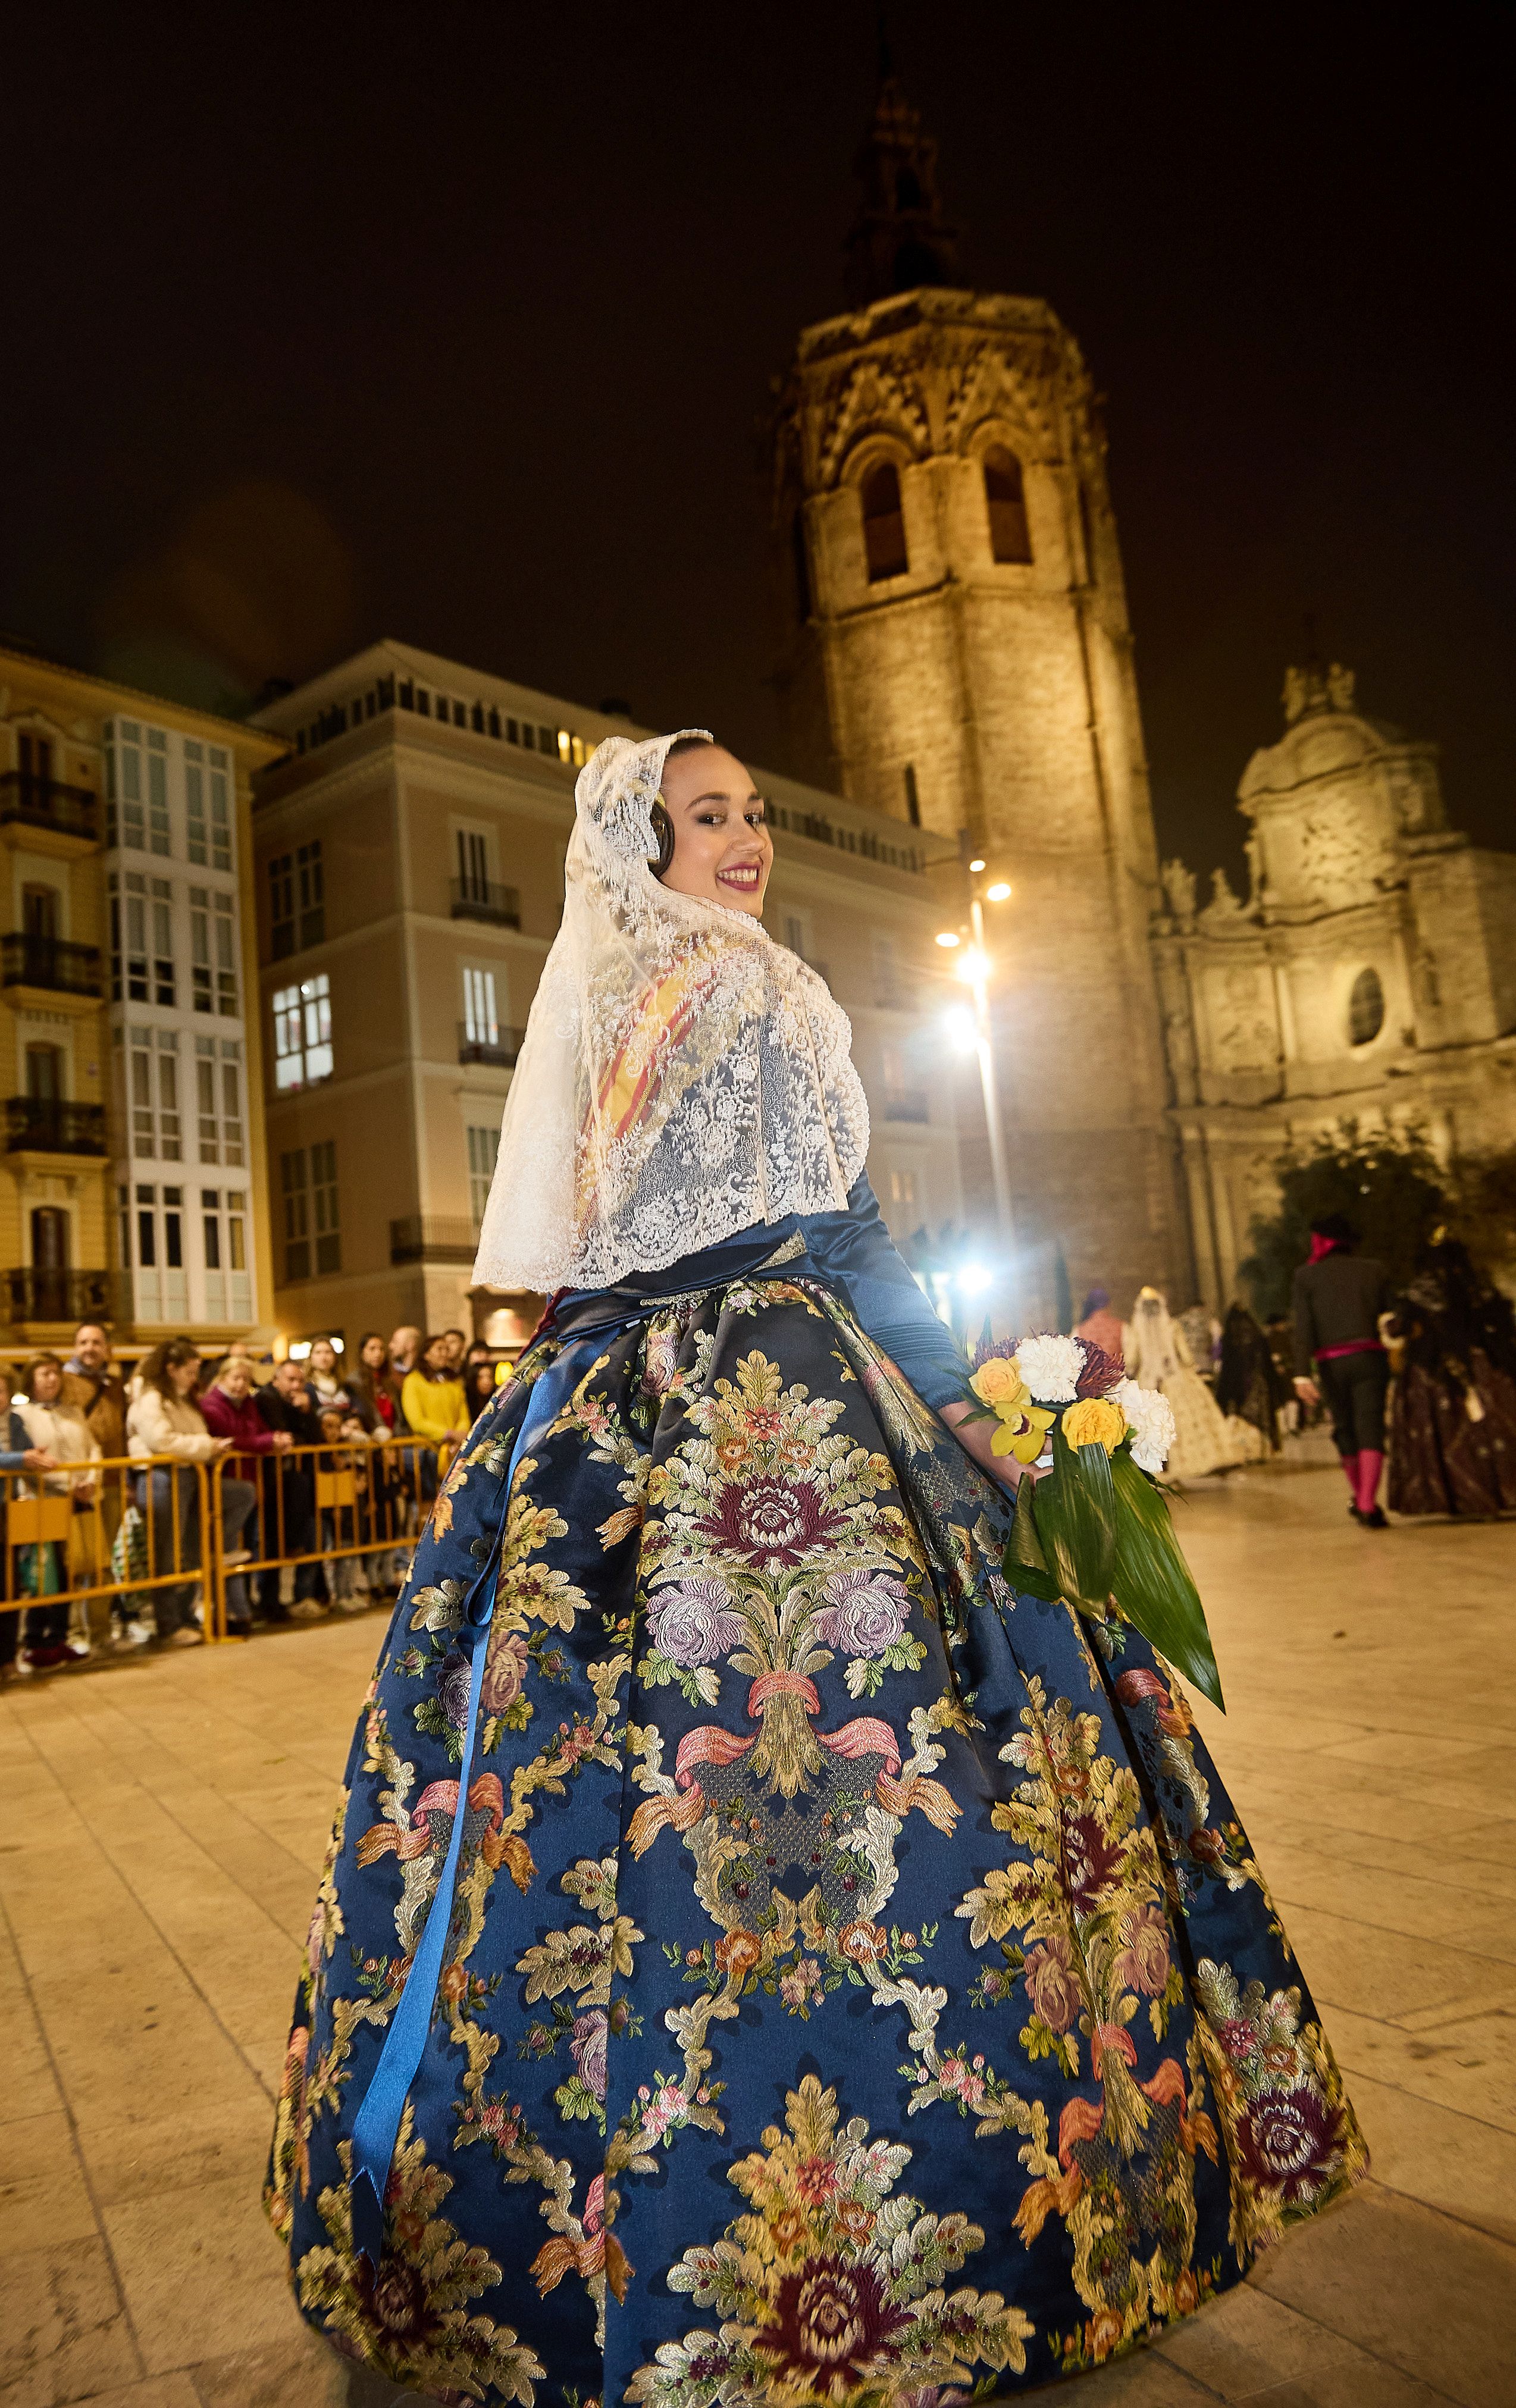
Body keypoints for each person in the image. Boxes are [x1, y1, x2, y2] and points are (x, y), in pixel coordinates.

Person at [267, 731, 1364, 2398]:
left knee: (549, 1801)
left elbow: (594, 1257)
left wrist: (556, 1439)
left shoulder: (621, 1005)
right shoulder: (759, 994)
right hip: (789, 1381)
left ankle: (526, 2218)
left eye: (755, 813)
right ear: (642, 843)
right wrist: (955, 1409)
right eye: (709, 817)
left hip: (599, 1410)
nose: (750, 838)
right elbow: (846, 1236)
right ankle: (980, 2194)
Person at [125, 1339, 254, 1642]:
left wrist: (207, 1447)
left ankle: (213, 1553)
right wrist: (207, 1446)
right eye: (190, 1371)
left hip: (190, 1475)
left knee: (241, 1495)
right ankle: (170, 1622)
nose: (195, 1378)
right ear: (171, 1370)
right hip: (162, 1478)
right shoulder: (151, 1397)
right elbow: (161, 1440)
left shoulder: (183, 1398)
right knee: (170, 1552)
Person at [1385, 1232, 1516, 1517]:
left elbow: (1399, 1327)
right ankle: (1502, 1492)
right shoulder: (1477, 1285)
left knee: (1447, 1432)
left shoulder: (1419, 1291)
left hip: (1434, 1370)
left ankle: (1460, 1498)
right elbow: (1501, 1319)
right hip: (1482, 1364)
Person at [1291, 1214, 1390, 1527]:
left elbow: (1303, 1327)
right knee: (1371, 1427)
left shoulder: (1306, 1277)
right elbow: (1388, 1318)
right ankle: (1367, 1503)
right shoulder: (1374, 1270)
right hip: (1371, 1359)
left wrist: (1300, 1373)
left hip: (1331, 1364)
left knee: (1345, 1428)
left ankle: (1361, 1498)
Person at [11, 1353, 101, 1666]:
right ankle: (34, 1640)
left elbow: (92, 1448)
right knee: (41, 1574)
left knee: (68, 1572)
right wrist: (66, 1484)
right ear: (31, 1379)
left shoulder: (73, 1412)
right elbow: (29, 1458)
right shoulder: (21, 1415)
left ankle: (59, 1637)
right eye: (44, 1373)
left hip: (78, 1500)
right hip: (42, 1501)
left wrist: (90, 1480)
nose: (52, 1378)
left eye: (55, 1373)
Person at [202, 1354, 293, 1632]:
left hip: (249, 1486)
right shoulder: (212, 1405)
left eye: (246, 1379)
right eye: (236, 1378)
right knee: (226, 1549)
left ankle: (241, 1611)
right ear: (222, 1378)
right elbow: (234, 1438)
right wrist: (269, 1442)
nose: (242, 1384)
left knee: (241, 1550)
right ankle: (232, 1612)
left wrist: (272, 1439)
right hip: (225, 1488)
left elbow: (259, 1431)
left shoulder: (248, 1404)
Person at [1122, 1285, 1242, 1478]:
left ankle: (1161, 1469)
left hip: (1148, 1383)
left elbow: (1131, 1361)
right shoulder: (1172, 1326)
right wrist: (1192, 1368)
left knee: (1152, 1426)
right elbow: (1185, 1356)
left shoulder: (1137, 1331)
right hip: (1175, 1380)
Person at [255, 1359, 330, 1619]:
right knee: (270, 1543)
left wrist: (307, 1413)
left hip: (297, 1488)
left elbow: (315, 1439)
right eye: (291, 1380)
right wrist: (299, 1421)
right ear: (277, 1380)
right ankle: (268, 1602)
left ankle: (304, 1595)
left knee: (310, 1535)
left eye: (300, 1381)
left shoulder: (302, 1403)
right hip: (274, 1485)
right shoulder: (268, 1399)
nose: (297, 1386)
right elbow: (284, 1435)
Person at [0, 1368, 60, 1684]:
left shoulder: (14, 1422)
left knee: (9, 1585)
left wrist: (34, 1457)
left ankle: (7, 1658)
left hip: (9, 1510)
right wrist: (19, 1459)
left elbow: (26, 1453)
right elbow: (17, 1457)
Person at [1215, 1300, 1289, 1459]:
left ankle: (1246, 1453)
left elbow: (1226, 1364)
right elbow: (1266, 1362)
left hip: (1237, 1386)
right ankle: (1262, 1452)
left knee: (1242, 1419)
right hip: (1258, 1384)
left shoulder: (1229, 1337)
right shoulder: (1256, 1335)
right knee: (1260, 1419)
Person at [399, 1333, 469, 1453]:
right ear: (426, 1355)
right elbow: (417, 1421)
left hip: (454, 1448)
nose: (444, 1354)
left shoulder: (455, 1382)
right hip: (426, 1448)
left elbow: (463, 1416)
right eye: (439, 1349)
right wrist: (448, 1434)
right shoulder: (413, 1381)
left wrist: (459, 1435)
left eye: (446, 1349)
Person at [1073, 1282, 1125, 1365]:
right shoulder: (1122, 1327)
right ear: (1108, 1304)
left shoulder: (1079, 1330)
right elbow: (1131, 1360)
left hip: (1090, 1377)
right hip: (1117, 1376)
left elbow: (1075, 1360)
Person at [306, 1336, 355, 1415]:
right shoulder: (306, 1387)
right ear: (311, 1358)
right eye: (318, 1353)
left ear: (335, 1357)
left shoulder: (347, 1387)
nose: (324, 1357)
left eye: (328, 1352)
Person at [462, 1353, 500, 1422]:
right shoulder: (466, 1401)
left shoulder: (499, 1401)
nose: (486, 1382)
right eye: (481, 1377)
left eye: (490, 1377)